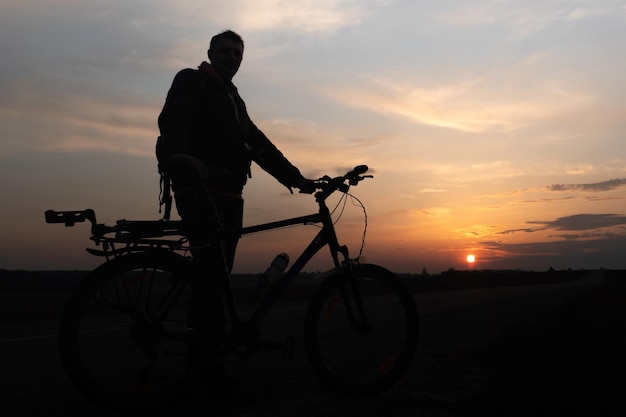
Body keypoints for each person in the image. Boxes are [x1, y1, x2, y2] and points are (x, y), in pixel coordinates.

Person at [157, 29, 313, 303]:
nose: (231, 56)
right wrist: (181, 156)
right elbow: (174, 117)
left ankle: (212, 336)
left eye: (237, 53)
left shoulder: (234, 100)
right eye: (224, 51)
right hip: (200, 189)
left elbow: (257, 142)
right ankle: (202, 338)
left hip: (231, 194)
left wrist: (296, 178)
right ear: (210, 55)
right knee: (211, 271)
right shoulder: (192, 80)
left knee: (219, 273)